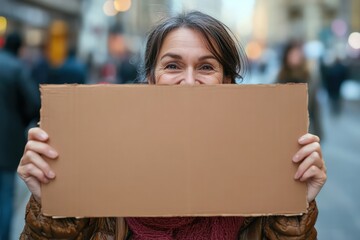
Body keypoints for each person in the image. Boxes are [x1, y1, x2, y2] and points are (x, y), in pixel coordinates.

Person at [18, 11, 327, 239]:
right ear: (151, 79)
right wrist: (54, 209)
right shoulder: (100, 164)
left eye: (206, 66)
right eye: (173, 66)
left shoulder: (264, 170)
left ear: (227, 82)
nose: (189, 81)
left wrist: (292, 212)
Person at [0, 32, 40, 240]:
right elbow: (33, 103)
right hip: (7, 144)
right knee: (6, 197)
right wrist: (22, 122)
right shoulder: (17, 69)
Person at [276, 41, 323, 140]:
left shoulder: (309, 77)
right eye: (292, 53)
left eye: (297, 53)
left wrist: (318, 133)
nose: (295, 57)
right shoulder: (279, 77)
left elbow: (315, 106)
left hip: (305, 129)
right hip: (283, 128)